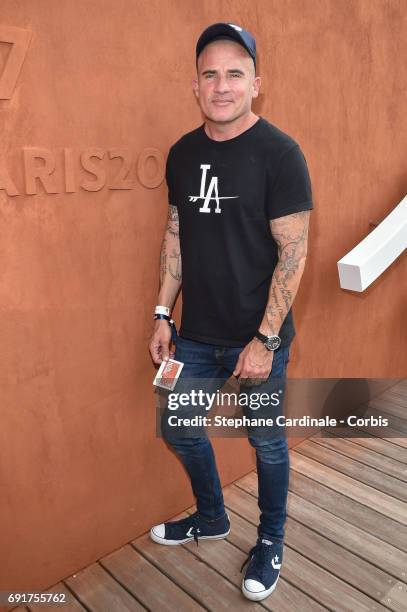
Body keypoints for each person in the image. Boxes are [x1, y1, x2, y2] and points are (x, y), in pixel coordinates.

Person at [148, 22, 313, 602]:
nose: (221, 85)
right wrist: (163, 314)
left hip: (257, 335)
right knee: (178, 425)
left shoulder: (280, 154)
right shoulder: (182, 153)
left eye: (234, 73)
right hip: (195, 335)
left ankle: (271, 539)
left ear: (255, 84)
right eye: (210, 74)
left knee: (266, 441)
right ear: (195, 85)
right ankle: (212, 516)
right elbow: (176, 235)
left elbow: (294, 250)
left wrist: (265, 341)